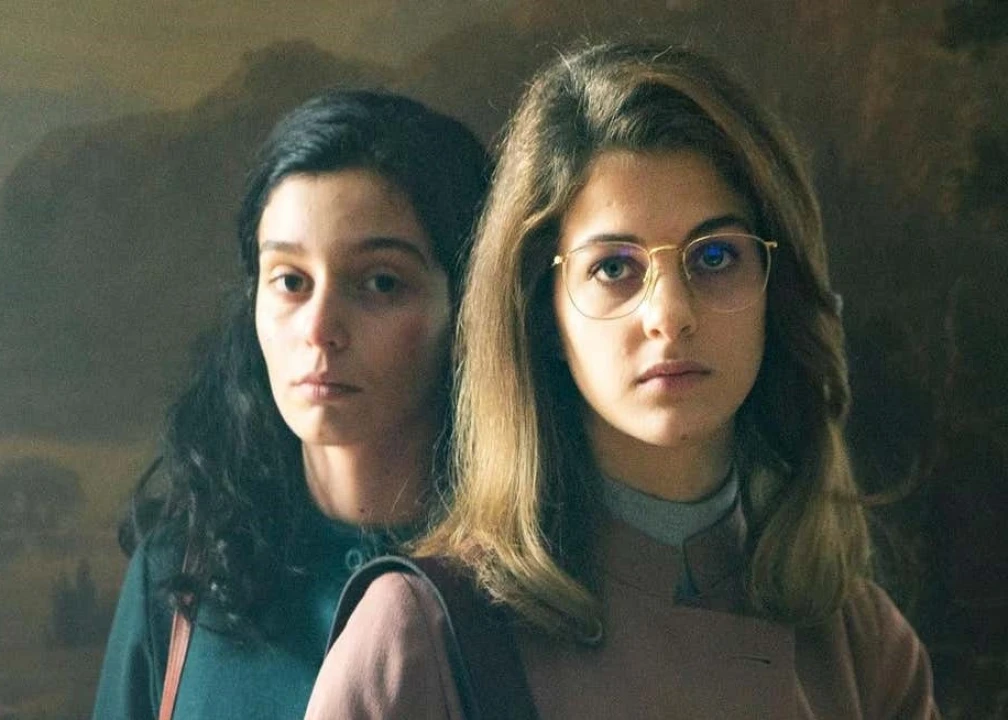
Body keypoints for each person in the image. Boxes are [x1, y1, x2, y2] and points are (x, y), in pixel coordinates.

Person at [305, 43, 940, 718]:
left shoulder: (862, 643)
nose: (670, 315)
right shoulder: (422, 636)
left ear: (773, 290)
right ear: (543, 313)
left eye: (715, 256)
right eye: (614, 267)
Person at [91, 89, 489, 719]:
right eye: (291, 281)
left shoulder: (531, 589)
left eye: (380, 282)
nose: (320, 328)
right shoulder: (180, 577)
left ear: (468, 307)